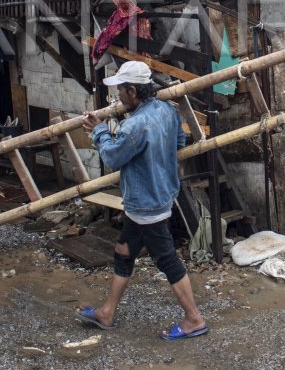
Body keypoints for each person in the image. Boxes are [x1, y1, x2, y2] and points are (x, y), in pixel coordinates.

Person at [75, 60, 208, 340]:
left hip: (147, 204)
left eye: (121, 91)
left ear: (133, 92)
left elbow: (111, 157)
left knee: (167, 260)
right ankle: (107, 312)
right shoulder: (167, 111)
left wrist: (98, 130)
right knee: (123, 251)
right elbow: (179, 144)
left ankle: (194, 319)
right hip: (155, 197)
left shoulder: (134, 126)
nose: (118, 97)